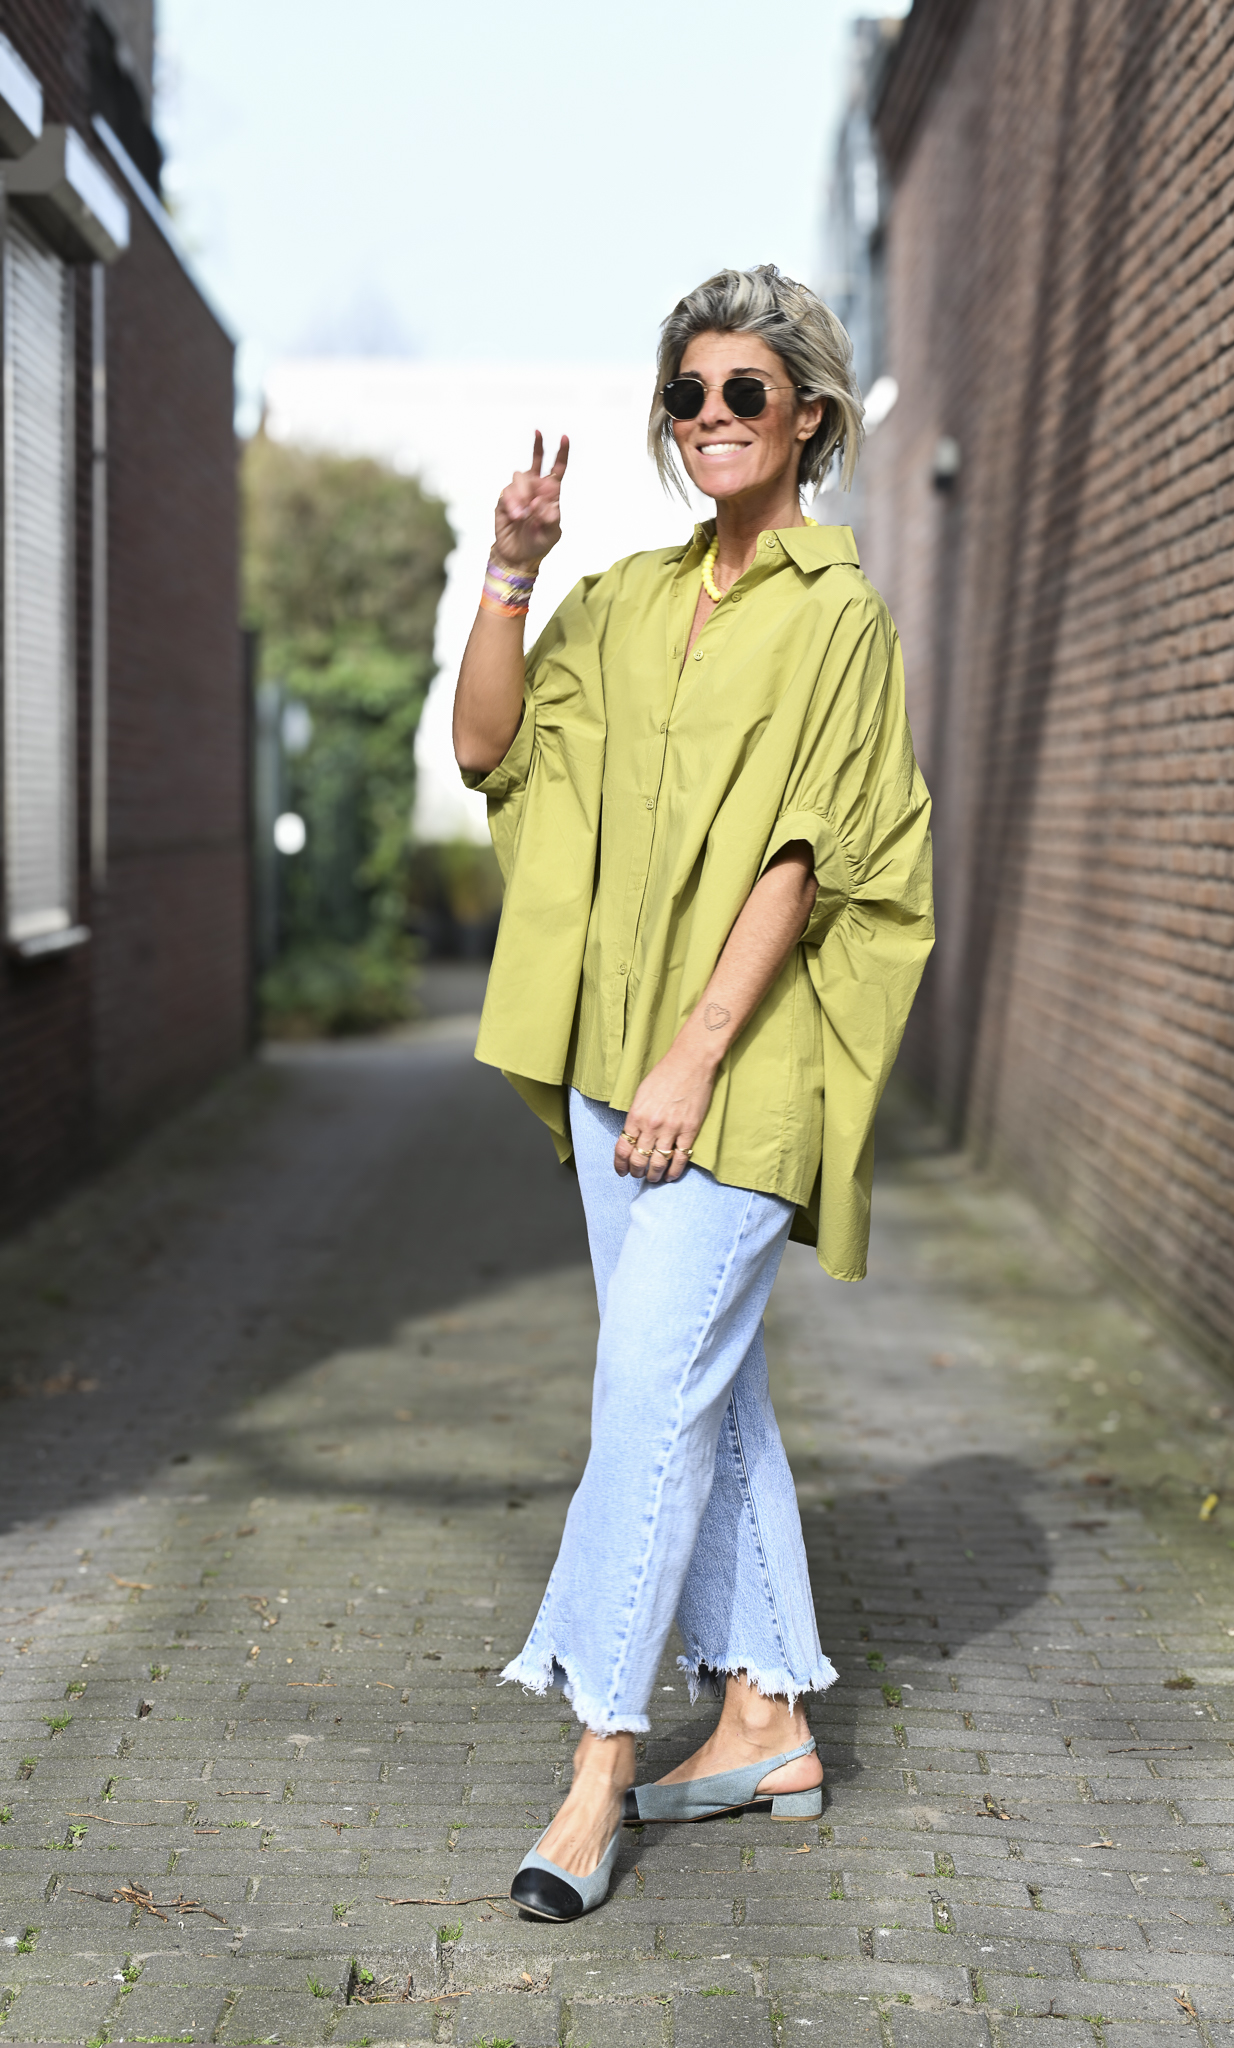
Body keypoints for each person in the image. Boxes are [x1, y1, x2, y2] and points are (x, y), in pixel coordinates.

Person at [451, 264, 933, 1922]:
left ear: (808, 415)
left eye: (742, 391)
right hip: (614, 1067)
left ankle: (599, 1764)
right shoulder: (629, 599)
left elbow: (808, 850)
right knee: (704, 1396)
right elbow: (487, 749)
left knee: (646, 1399)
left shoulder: (837, 617)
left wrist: (696, 1047)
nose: (709, 417)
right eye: (686, 393)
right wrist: (510, 571)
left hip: (739, 1064)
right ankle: (766, 1724)